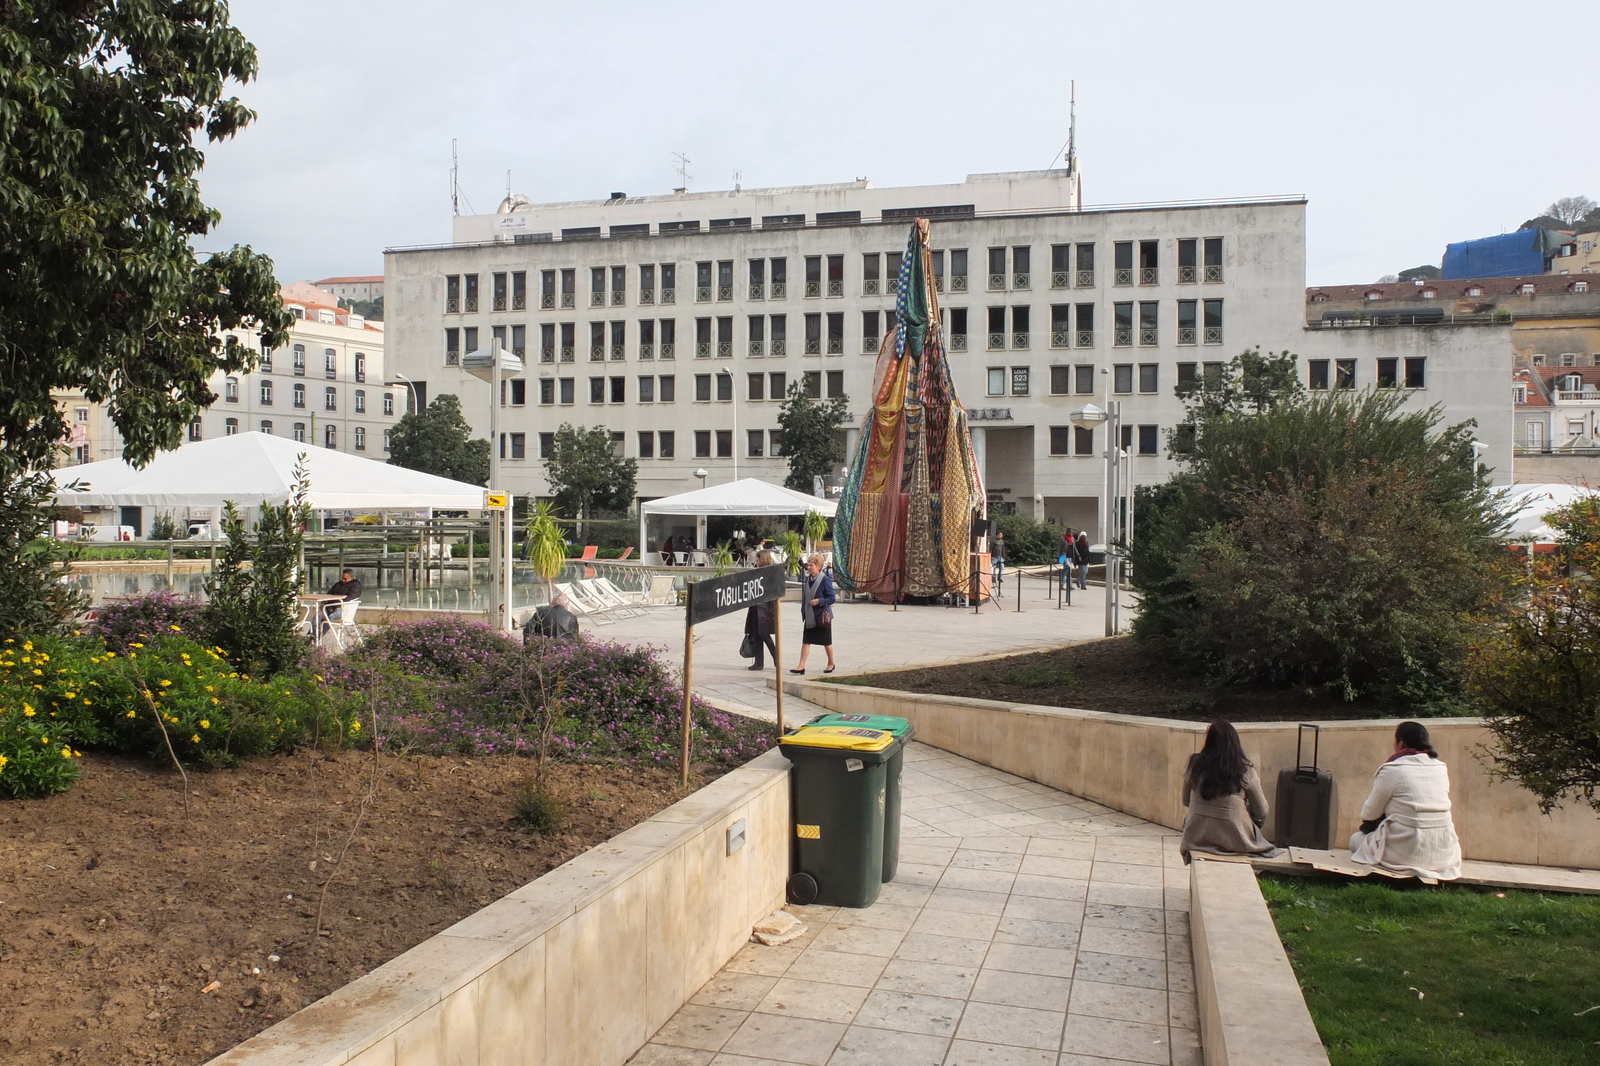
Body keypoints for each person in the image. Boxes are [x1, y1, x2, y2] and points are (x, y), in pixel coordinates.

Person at [1348, 721, 1462, 880]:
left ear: (1400, 743)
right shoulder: (1440, 767)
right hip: (1444, 854)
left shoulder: (1392, 769)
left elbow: (1368, 814)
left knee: (1355, 840)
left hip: (1406, 851)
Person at [1180, 720, 1280, 863]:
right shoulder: (1245, 769)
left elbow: (1186, 800)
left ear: (1209, 741)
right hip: (1237, 839)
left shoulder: (1194, 764)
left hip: (1196, 837)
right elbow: (1262, 811)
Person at [791, 553, 836, 674]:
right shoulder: (807, 579)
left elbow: (832, 598)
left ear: (819, 567)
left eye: (812, 565)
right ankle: (801, 666)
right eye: (808, 565)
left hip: (822, 616)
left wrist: (819, 601)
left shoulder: (825, 580)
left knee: (826, 642)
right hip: (809, 615)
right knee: (806, 641)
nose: (809, 567)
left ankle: (831, 663)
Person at [743, 550, 779, 670]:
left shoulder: (771, 573)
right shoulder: (757, 572)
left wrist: (772, 611)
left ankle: (776, 657)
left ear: (762, 559)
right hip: (755, 607)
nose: (756, 561)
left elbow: (773, 593)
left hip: (765, 609)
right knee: (755, 635)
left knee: (764, 634)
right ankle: (759, 662)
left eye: (757, 559)